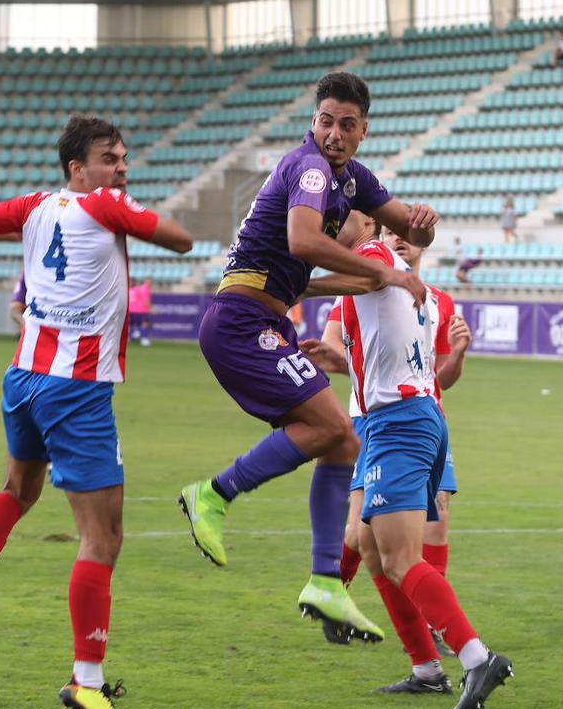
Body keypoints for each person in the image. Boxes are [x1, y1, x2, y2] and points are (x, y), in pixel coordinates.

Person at [0, 114, 192, 709]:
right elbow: (181, 240)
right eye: (109, 158)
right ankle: (88, 681)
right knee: (102, 538)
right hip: (76, 388)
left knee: (17, 491)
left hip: (22, 377)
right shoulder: (105, 204)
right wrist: (124, 207)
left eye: (124, 157)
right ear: (78, 168)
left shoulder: (33, 206)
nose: (121, 167)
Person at [175, 71, 436, 646]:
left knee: (342, 439)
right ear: (312, 122)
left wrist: (421, 227)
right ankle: (212, 495)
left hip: (260, 319)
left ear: (363, 130)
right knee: (332, 426)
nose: (334, 132)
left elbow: (408, 235)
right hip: (242, 321)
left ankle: (324, 581)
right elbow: (302, 242)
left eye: (346, 124)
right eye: (325, 120)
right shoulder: (310, 167)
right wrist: (386, 270)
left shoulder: (352, 178)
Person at [304, 229, 513, 709]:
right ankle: (425, 668)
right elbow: (357, 349)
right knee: (373, 547)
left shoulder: (374, 257)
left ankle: (475, 656)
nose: (334, 223)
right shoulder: (382, 279)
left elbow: (372, 276)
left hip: (398, 420)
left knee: (401, 555)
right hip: (394, 417)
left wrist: (293, 284)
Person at [128, 277, 153, 346]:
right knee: (145, 324)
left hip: (132, 310)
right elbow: (145, 300)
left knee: (134, 325)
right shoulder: (142, 289)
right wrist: (150, 308)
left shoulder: (131, 289)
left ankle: (138, 336)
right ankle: (138, 335)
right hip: (139, 310)